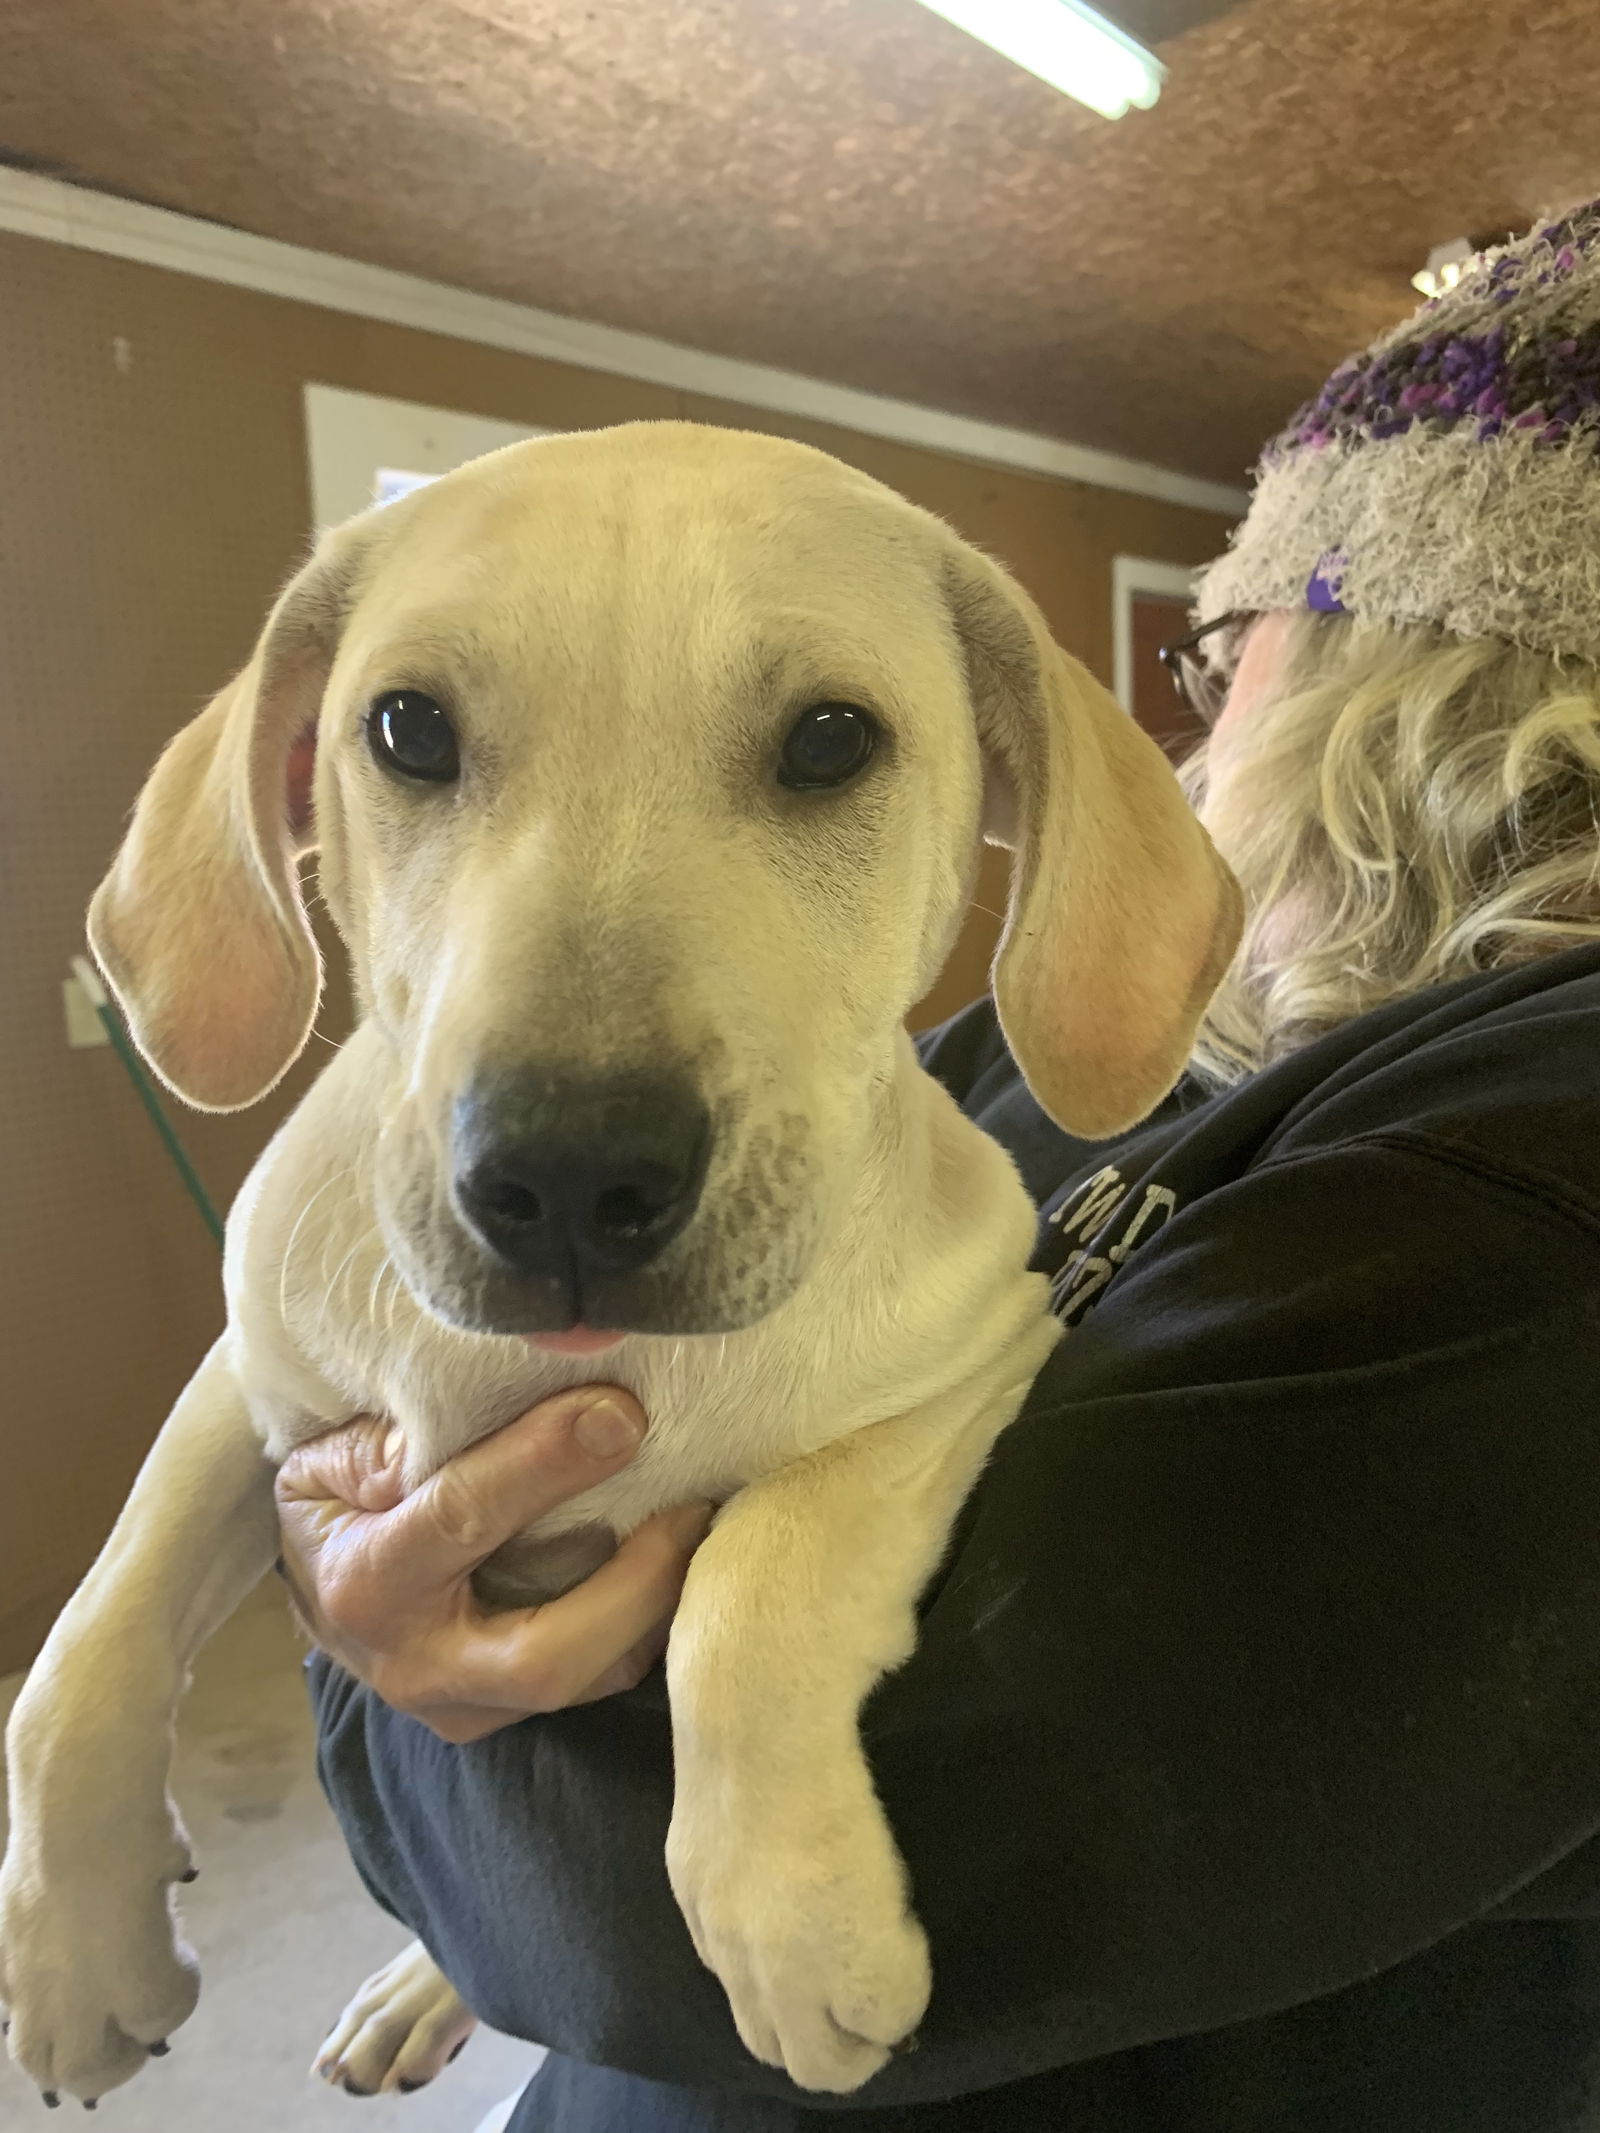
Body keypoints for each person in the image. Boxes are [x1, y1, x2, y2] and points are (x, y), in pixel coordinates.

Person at [279, 202, 1600, 2131]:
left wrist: (387, 1698)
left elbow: (763, 1907)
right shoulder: (1125, 1041)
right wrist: (399, 1601)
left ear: (1384, 681)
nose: (1193, 720)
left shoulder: (1541, 1159)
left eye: (1232, 647)